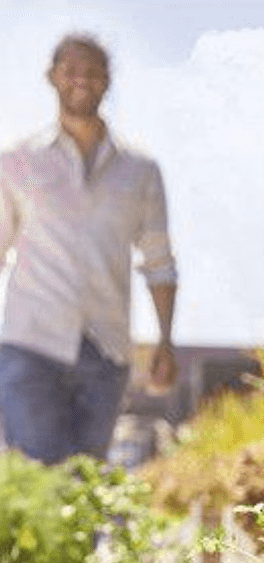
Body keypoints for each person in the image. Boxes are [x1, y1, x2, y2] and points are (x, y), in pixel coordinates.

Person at [0, 33, 178, 465]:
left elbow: (158, 261)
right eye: (71, 71)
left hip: (107, 351)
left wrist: (165, 340)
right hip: (30, 344)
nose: (82, 80)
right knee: (40, 475)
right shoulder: (17, 161)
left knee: (88, 480)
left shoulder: (140, 170)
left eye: (93, 72)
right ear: (52, 77)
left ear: (107, 81)